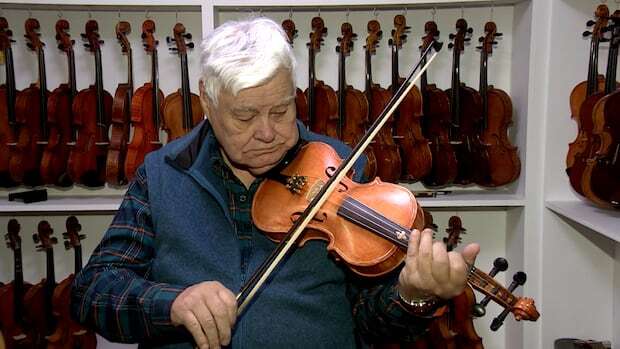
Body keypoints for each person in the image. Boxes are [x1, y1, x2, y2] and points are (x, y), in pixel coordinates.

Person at [71, 17, 479, 349]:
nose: (268, 133)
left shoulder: (341, 168)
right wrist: (171, 303)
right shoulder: (162, 173)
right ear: (207, 102)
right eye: (245, 117)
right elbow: (92, 293)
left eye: (281, 110)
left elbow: (370, 324)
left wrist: (412, 295)